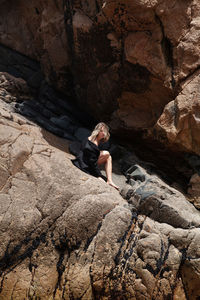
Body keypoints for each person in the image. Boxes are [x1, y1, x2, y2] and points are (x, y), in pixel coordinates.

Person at [72, 122, 119, 190]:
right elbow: (92, 163)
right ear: (98, 131)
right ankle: (110, 180)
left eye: (104, 132)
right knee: (108, 155)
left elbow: (83, 153)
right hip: (85, 165)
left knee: (108, 156)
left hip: (83, 160)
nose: (104, 134)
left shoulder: (90, 138)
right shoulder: (93, 144)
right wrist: (98, 176)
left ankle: (110, 180)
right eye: (102, 131)